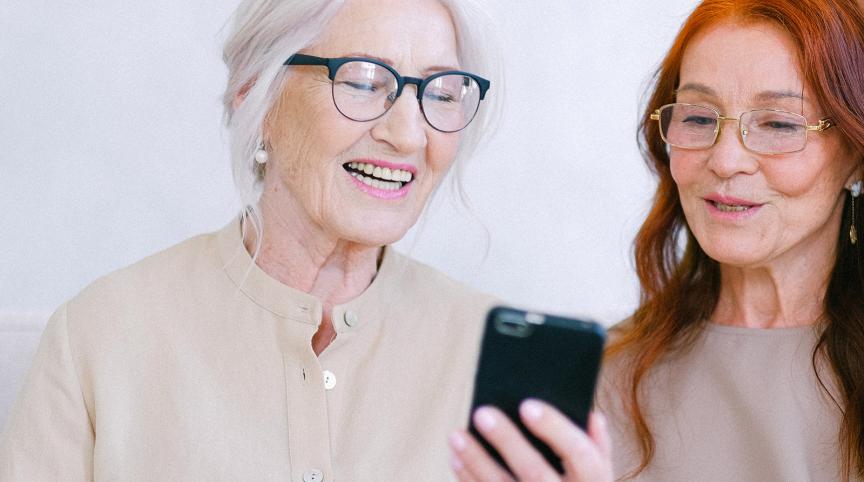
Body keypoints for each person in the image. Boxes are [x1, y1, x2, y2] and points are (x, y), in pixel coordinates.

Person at [451, 0, 864, 481]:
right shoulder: (602, 379)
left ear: (861, 156)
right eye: (699, 119)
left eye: (779, 124)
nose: (726, 160)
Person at [0, 0, 499, 479]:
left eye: (441, 92)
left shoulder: (493, 352)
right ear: (255, 95)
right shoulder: (97, 334)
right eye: (364, 81)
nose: (410, 135)